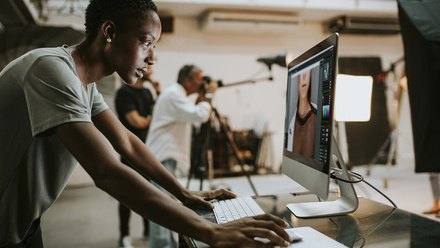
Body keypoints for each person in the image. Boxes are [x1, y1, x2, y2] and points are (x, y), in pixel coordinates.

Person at [0, 0, 292, 248]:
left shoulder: (84, 86)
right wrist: (209, 231)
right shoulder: (50, 69)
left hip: (25, 224)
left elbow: (125, 142)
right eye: (146, 42)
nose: (152, 57)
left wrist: (182, 192)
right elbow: (106, 171)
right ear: (110, 32)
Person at [145, 64, 217, 247]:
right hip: (163, 157)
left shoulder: (176, 94)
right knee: (162, 208)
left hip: (164, 156)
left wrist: (203, 98)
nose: (203, 82)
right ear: (188, 80)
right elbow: (199, 115)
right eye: (200, 78)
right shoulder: (173, 94)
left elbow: (195, 116)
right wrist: (208, 96)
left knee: (167, 206)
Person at [114, 67, 160, 248]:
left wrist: (157, 91)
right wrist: (152, 119)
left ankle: (148, 228)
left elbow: (154, 114)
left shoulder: (148, 92)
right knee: (127, 194)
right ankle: (124, 235)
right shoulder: (124, 92)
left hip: (149, 150)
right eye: (148, 67)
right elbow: (136, 121)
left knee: (149, 191)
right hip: (130, 151)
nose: (151, 69)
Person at [287, 69, 317, 158]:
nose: (304, 77)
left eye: (307, 72)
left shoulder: (318, 118)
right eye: (301, 74)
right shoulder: (291, 121)